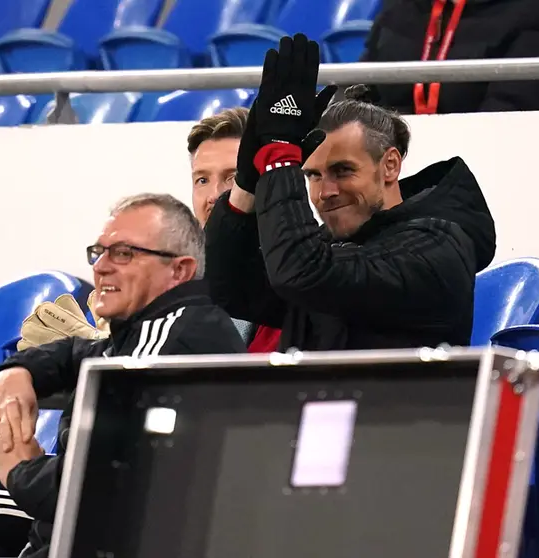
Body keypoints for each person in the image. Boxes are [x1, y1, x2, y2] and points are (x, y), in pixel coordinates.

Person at [0, 193, 245, 558]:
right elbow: (76, 353)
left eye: (123, 253)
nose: (102, 267)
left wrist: (22, 468)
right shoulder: (144, 330)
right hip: (85, 523)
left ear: (179, 270)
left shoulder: (172, 336)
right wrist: (17, 371)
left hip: (113, 535)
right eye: (99, 252)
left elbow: (103, 487)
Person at [204, 34, 496, 351]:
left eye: (343, 171)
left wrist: (280, 155)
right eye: (312, 175)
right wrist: (248, 183)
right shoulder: (328, 250)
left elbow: (305, 272)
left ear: (390, 165)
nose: (326, 191)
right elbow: (230, 290)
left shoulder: (436, 249)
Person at [359, 0, 539, 114]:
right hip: (387, 166)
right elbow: (354, 93)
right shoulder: (402, 7)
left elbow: (510, 116)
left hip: (482, 177)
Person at [187, 107, 283, 353]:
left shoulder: (296, 271)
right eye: (202, 180)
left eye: (234, 178)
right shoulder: (175, 276)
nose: (214, 196)